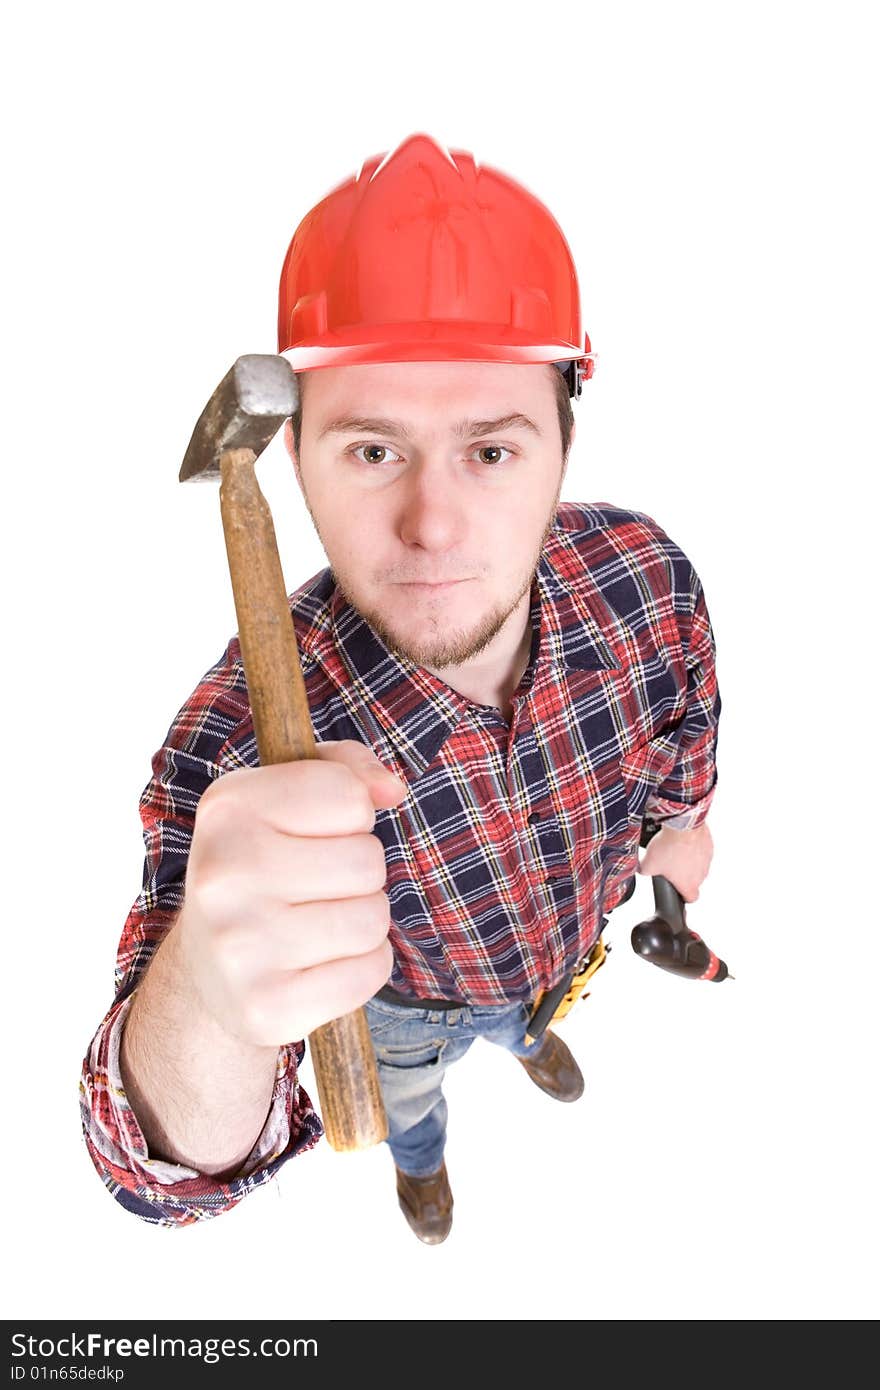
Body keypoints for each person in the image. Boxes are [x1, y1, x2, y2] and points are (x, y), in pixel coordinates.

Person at [80, 132, 721, 1242]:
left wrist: (682, 823)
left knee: (532, 1015)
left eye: (490, 451)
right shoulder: (231, 742)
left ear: (564, 440)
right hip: (401, 1022)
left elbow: (683, 735)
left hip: (563, 943)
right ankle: (422, 1169)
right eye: (372, 451)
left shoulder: (644, 579)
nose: (430, 525)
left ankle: (532, 1038)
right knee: (409, 1107)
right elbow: (153, 1172)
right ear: (293, 458)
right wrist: (210, 999)